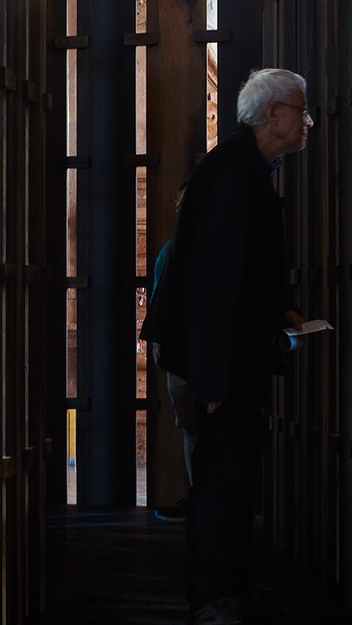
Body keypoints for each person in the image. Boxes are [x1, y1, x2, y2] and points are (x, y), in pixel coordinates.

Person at [140, 68, 311, 625]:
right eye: (301, 110)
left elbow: (241, 275)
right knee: (218, 484)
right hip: (222, 367)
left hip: (232, 360)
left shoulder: (244, 167)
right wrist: (213, 381)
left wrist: (276, 309)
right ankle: (212, 599)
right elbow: (212, 287)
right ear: (274, 114)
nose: (307, 122)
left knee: (233, 482)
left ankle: (233, 589)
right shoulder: (237, 173)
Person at [150, 182, 194, 524]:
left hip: (192, 349)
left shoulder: (184, 249)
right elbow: (158, 300)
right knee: (192, 428)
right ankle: (200, 496)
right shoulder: (171, 250)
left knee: (197, 428)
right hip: (181, 349)